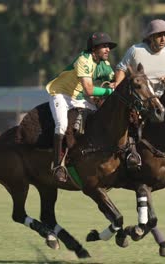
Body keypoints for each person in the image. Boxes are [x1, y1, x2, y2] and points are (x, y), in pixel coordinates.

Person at [112, 19, 165, 173]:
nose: (163, 39)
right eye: (159, 35)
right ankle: (133, 155)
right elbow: (121, 68)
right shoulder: (136, 50)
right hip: (138, 98)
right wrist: (117, 87)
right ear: (150, 37)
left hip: (160, 99)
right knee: (131, 122)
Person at [46, 32, 117, 182]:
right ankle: (58, 165)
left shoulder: (104, 64)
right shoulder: (83, 60)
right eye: (104, 46)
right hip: (60, 94)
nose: (108, 49)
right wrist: (110, 90)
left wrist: (115, 83)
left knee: (100, 115)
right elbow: (89, 90)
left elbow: (114, 78)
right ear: (94, 49)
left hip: (77, 97)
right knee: (62, 125)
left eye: (108, 46)